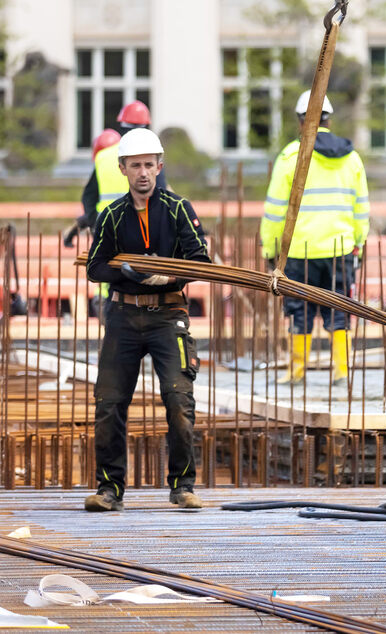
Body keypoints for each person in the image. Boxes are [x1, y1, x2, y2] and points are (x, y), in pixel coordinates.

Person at [84, 128, 210, 512]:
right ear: (122, 168)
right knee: (109, 402)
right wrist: (129, 273)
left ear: (159, 166)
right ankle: (109, 489)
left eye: (149, 165)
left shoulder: (178, 210)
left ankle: (183, 485)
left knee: (178, 398)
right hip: (122, 315)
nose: (143, 173)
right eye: (135, 165)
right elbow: (95, 267)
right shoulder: (112, 215)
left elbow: (200, 261)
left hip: (168, 314)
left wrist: (169, 276)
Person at [260, 90, 369, 385]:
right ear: (328, 120)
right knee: (339, 308)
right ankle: (342, 372)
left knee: (299, 312)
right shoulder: (352, 159)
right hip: (340, 247)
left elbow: (274, 211)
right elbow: (361, 207)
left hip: (300, 251)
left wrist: (270, 249)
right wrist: (358, 241)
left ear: (300, 121)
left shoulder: (290, 157)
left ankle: (296, 372)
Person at [66, 100, 169, 249]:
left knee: (104, 269)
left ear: (121, 126)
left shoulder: (104, 156)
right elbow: (161, 197)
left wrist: (95, 223)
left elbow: (88, 197)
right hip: (139, 231)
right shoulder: (150, 157)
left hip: (106, 228)